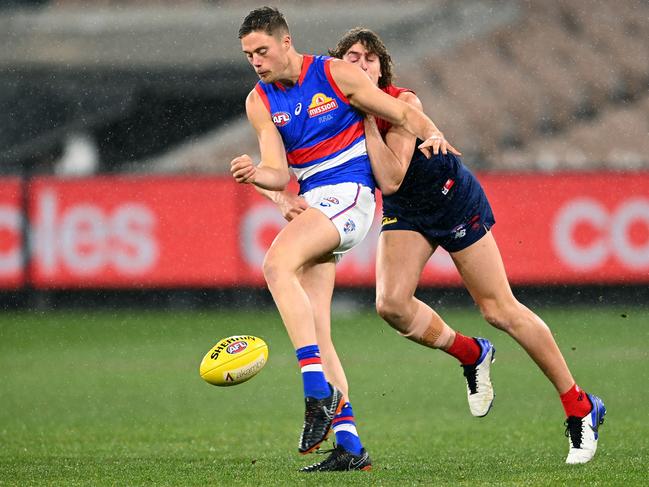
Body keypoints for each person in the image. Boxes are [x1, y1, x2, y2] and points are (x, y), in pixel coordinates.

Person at [271, 26, 607, 465]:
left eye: (370, 59)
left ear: (381, 68)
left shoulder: (401, 102)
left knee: (499, 309)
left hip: (451, 200)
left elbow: (390, 176)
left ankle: (580, 406)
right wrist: (279, 193)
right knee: (391, 305)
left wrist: (367, 116)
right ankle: (472, 353)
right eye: (351, 58)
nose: (361, 65)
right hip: (407, 213)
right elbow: (292, 156)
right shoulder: (332, 109)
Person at [232, 8, 458, 472]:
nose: (255, 61)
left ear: (285, 41)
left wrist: (432, 133)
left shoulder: (334, 74)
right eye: (248, 54)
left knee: (276, 265)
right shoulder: (259, 100)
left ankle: (314, 389)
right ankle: (350, 444)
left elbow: (400, 111)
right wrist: (258, 174)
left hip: (351, 196)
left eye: (262, 50)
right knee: (317, 328)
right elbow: (277, 169)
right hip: (317, 202)